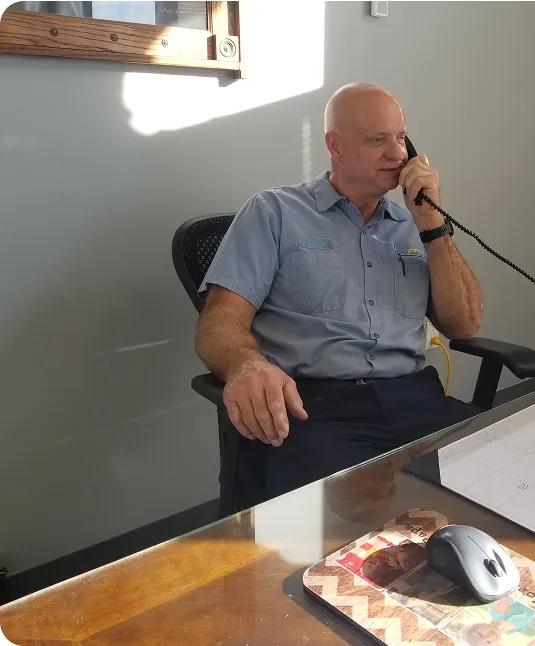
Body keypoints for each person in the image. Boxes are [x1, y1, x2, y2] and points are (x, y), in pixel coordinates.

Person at [195, 82, 484, 499]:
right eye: (377, 140)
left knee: (492, 478)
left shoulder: (415, 226)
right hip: (316, 408)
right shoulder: (275, 213)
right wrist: (245, 364)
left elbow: (465, 325)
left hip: (414, 397)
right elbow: (219, 320)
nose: (399, 154)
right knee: (346, 525)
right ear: (335, 145)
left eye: (402, 138)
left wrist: (433, 226)